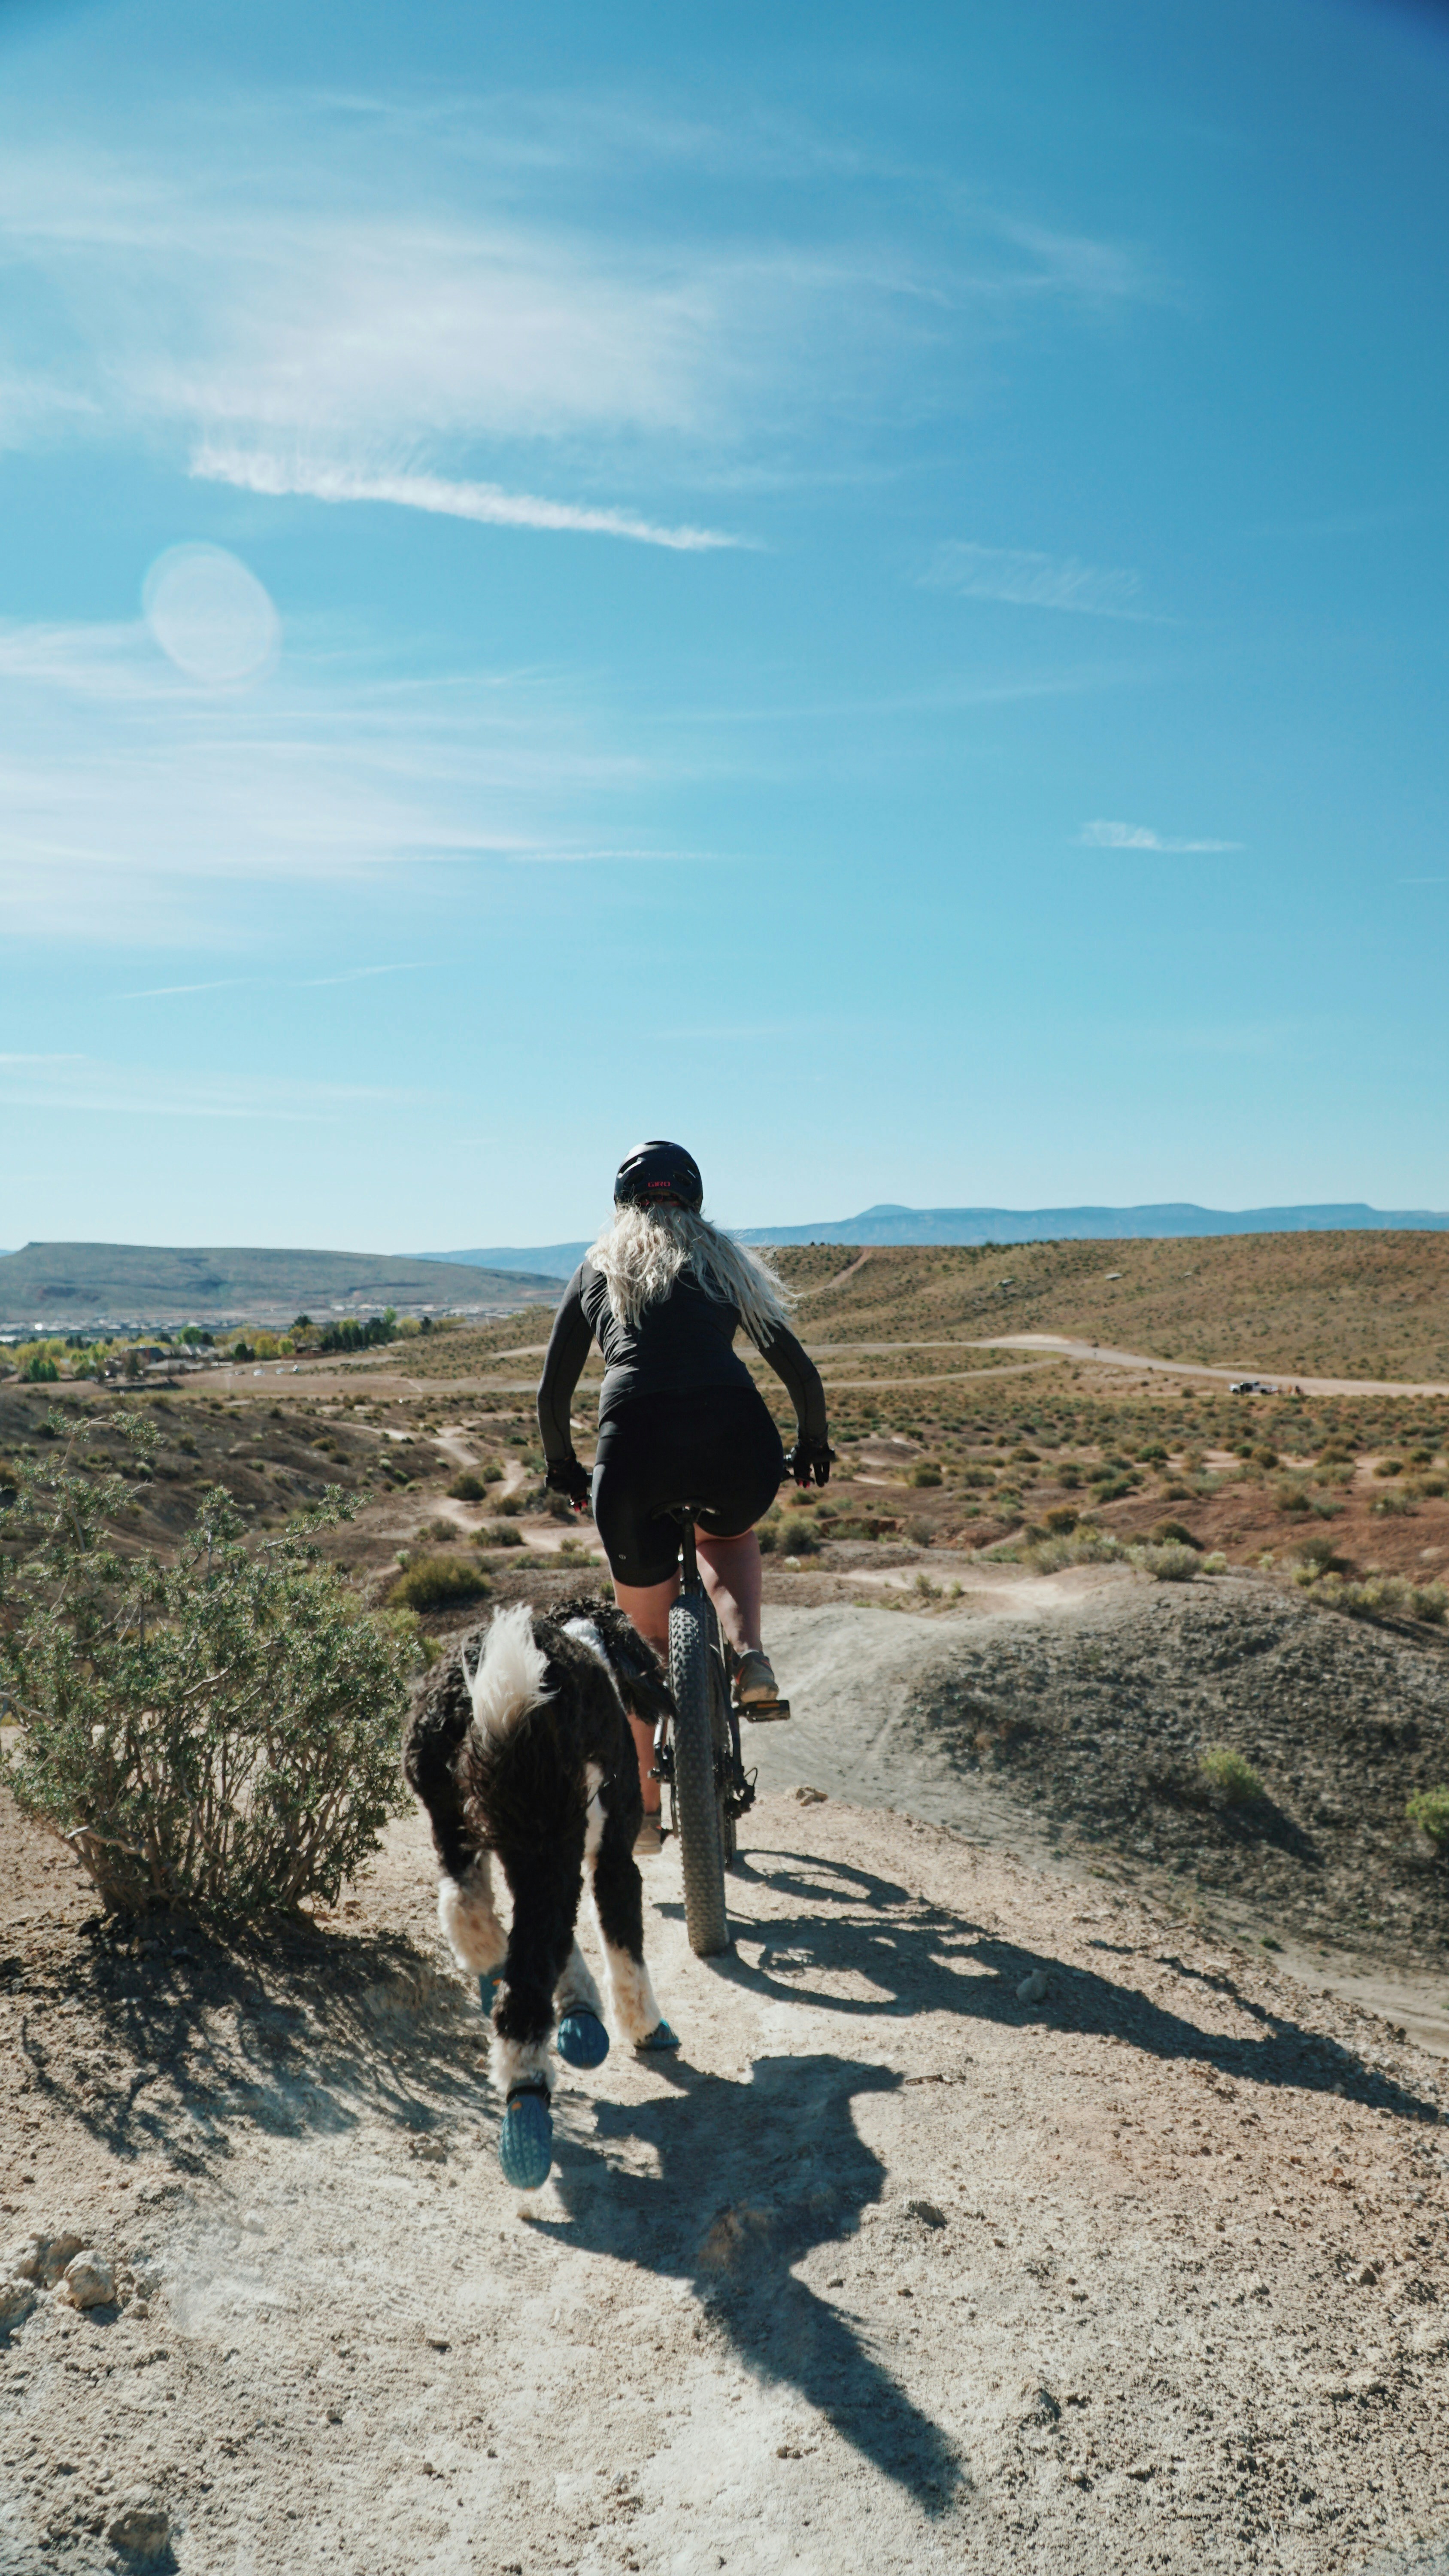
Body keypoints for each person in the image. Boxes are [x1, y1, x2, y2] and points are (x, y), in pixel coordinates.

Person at [537, 1140, 832, 1845]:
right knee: (727, 1535)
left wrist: (565, 1471)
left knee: (641, 1640)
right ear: (694, 1198)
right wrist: (812, 1446)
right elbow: (799, 1371)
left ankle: (640, 1814)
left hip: (632, 1453)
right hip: (736, 1442)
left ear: (623, 1199)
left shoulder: (599, 1265)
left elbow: (552, 1392)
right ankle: (750, 1655)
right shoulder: (725, 1261)